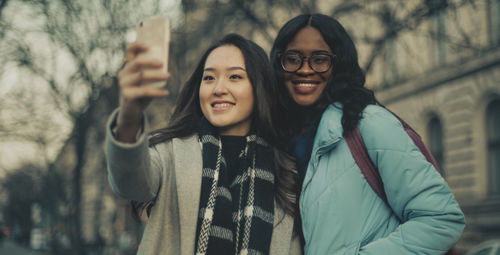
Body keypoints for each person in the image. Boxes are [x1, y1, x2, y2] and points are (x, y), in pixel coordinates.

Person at [269, 13, 466, 254]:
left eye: (320, 59)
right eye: (293, 58)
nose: (305, 69)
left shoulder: (370, 124)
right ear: (279, 63)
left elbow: (442, 219)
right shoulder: (277, 137)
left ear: (338, 64)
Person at [106, 33, 302, 255]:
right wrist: (129, 116)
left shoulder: (286, 171)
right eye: (209, 78)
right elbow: (128, 182)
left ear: (260, 88)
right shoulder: (170, 153)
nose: (218, 89)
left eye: (235, 77)